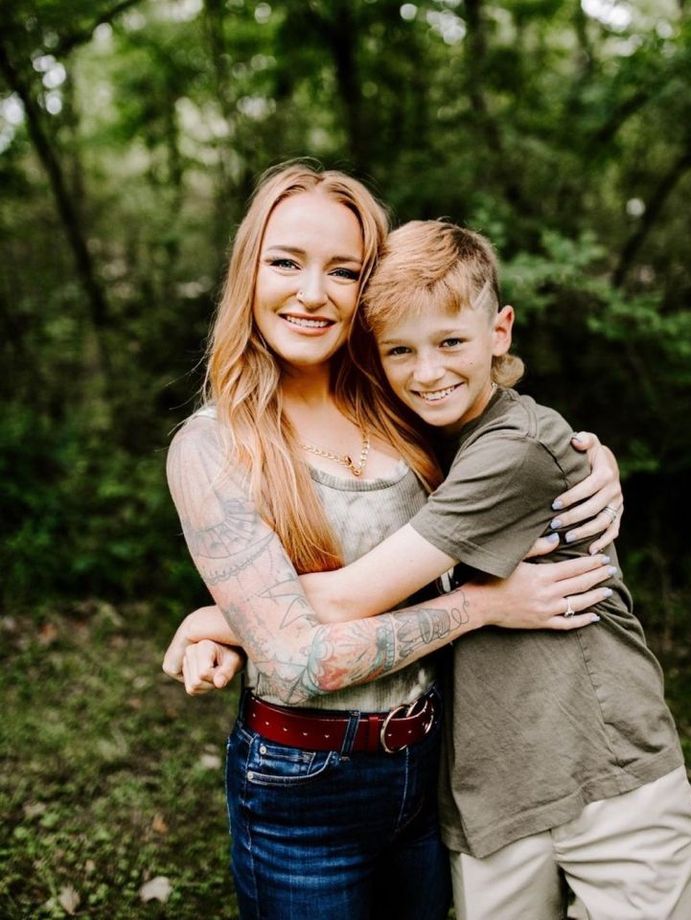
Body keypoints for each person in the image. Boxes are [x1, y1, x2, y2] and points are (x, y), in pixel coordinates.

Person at [161, 162, 623, 920]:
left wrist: (593, 460)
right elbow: (301, 660)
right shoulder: (214, 448)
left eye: (342, 270)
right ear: (248, 273)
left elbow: (514, 447)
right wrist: (484, 608)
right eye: (286, 262)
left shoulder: (402, 407)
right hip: (303, 780)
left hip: (435, 757)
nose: (312, 293)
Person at [292, 218, 691, 920]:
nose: (428, 371)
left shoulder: (513, 448)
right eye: (401, 350)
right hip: (490, 793)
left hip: (605, 772)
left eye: (451, 341)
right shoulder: (418, 452)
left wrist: (224, 615)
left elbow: (344, 604)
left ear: (501, 331)